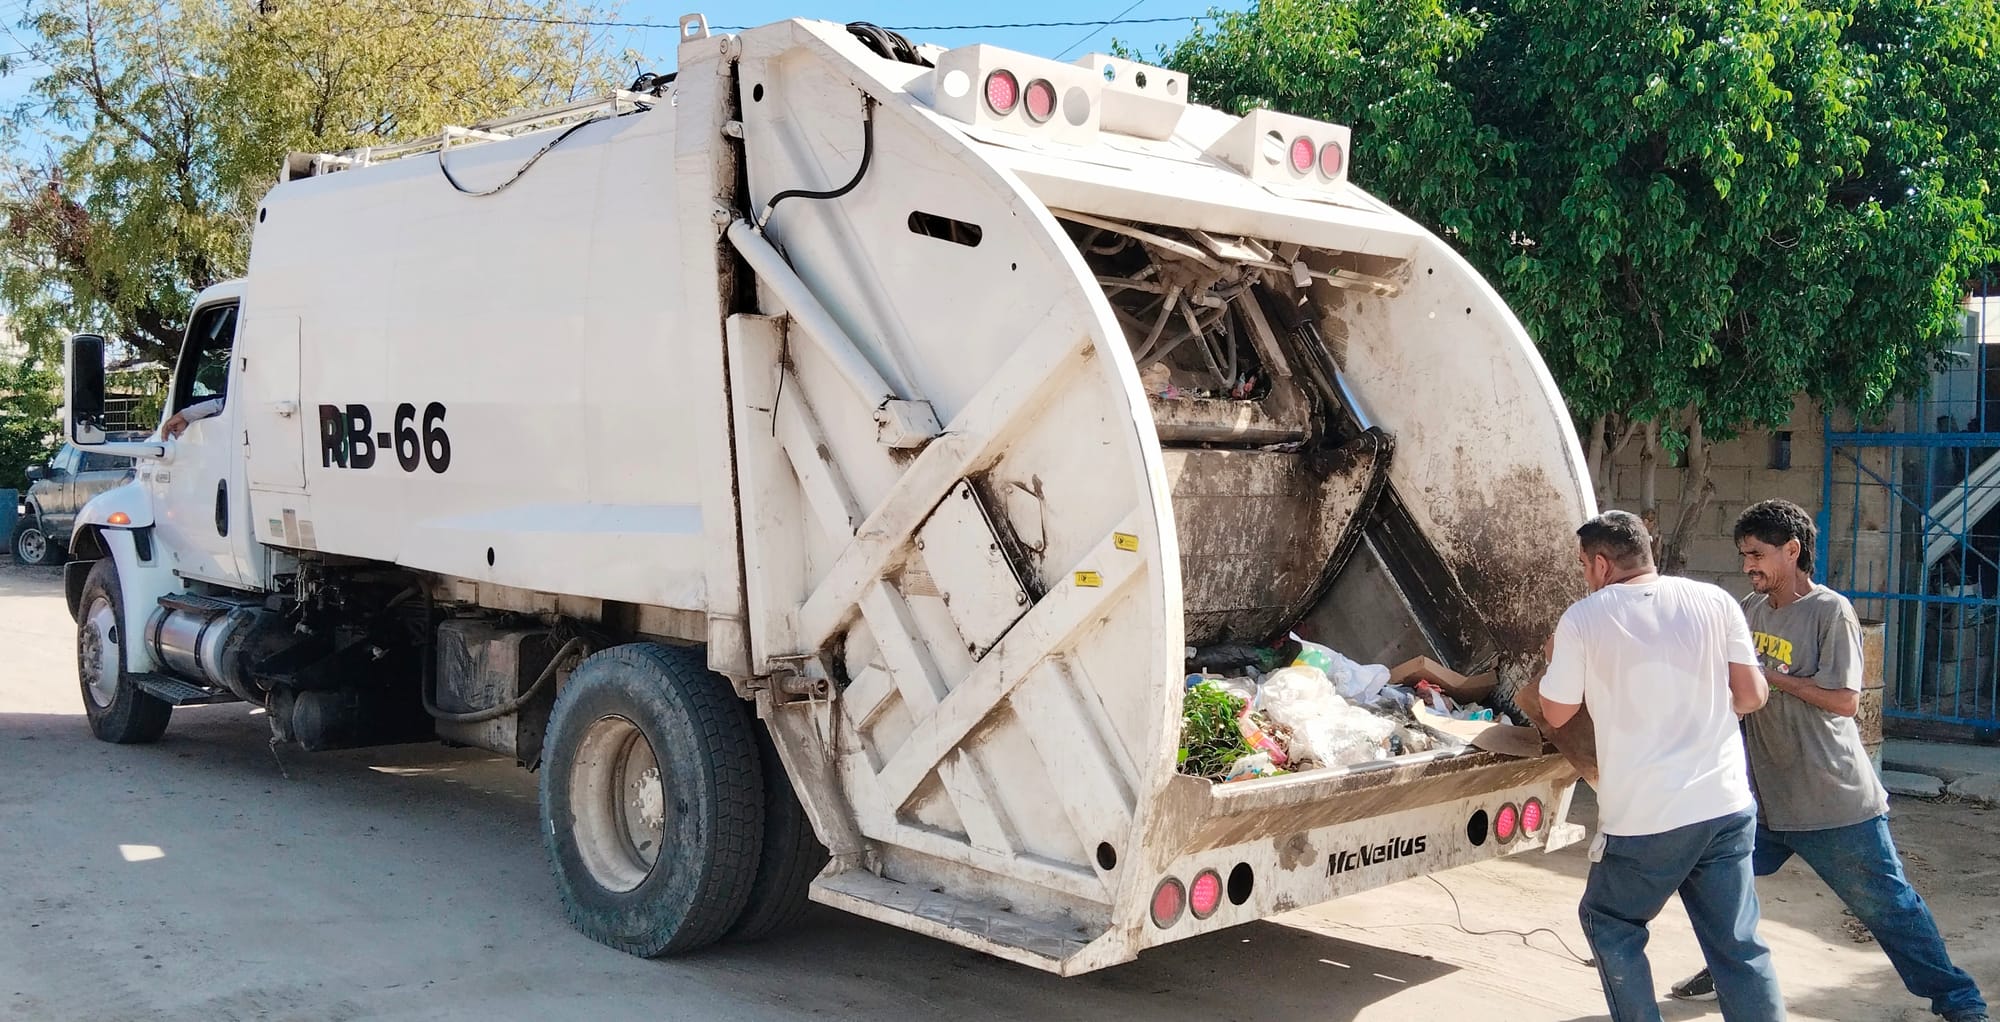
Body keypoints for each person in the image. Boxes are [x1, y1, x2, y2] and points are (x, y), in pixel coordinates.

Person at [1671, 499, 1988, 1022]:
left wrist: (1768, 677)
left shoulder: (1829, 611)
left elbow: (1844, 699)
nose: (1747, 565)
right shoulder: (1750, 609)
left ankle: (1960, 1002)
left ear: (1792, 550)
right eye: (1744, 555)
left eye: (1756, 554)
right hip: (1764, 801)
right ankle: (1730, 969)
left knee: (1890, 909)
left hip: (1833, 802)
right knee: (1714, 885)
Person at [1540, 510, 1785, 1022]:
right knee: (1737, 946)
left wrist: (1555, 661)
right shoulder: (1715, 601)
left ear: (1601, 564)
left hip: (1647, 817)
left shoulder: (1583, 619)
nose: (1585, 574)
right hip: (1724, 804)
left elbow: (1557, 713)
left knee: (1610, 922)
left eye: (1584, 565)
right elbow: (1751, 696)